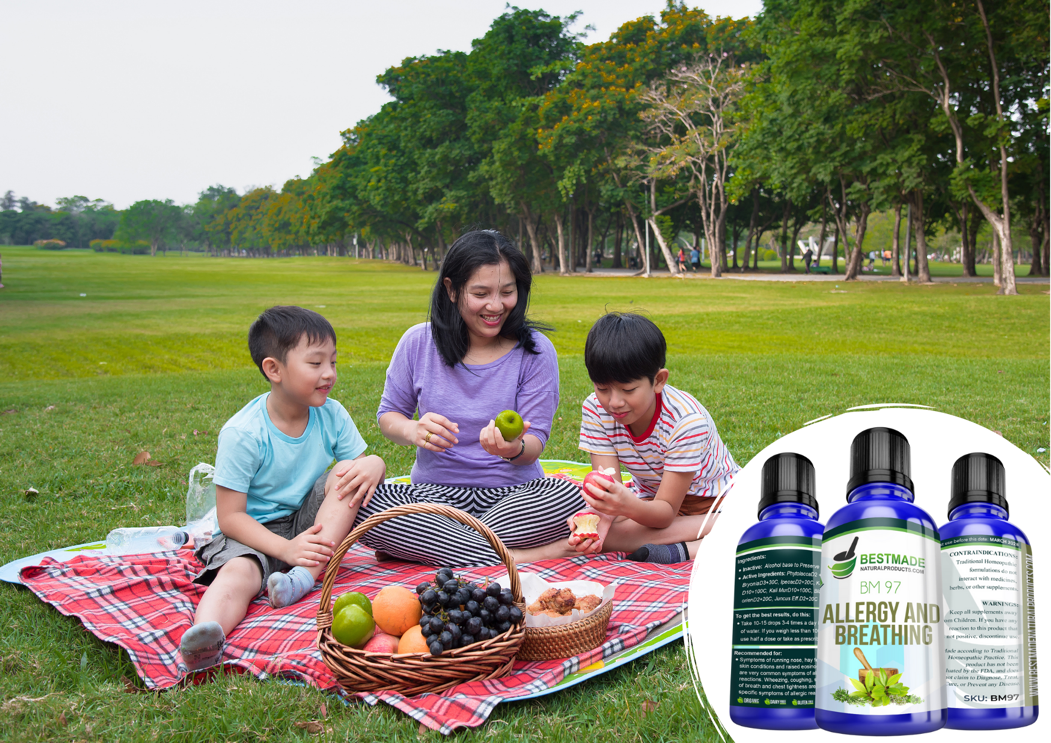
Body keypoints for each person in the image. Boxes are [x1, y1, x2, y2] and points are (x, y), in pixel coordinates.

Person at [351, 229, 582, 567]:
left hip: (515, 499)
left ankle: (436, 545)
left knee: (569, 495)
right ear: (451, 289)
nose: (496, 306)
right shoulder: (418, 343)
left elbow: (536, 442)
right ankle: (517, 557)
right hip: (434, 496)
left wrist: (512, 449)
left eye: (507, 292)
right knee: (362, 503)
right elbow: (389, 417)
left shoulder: (535, 352)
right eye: (481, 293)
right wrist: (412, 430)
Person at [178, 306, 386, 671]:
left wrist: (376, 464)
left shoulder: (332, 414)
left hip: (307, 524)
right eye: (316, 363)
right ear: (273, 369)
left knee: (349, 470)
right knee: (237, 577)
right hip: (250, 533)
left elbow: (357, 474)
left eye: (333, 362)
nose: (329, 374)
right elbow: (230, 517)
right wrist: (286, 549)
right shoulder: (243, 433)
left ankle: (303, 577)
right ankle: (205, 640)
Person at [569, 313, 739, 563]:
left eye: (628, 390)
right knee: (596, 535)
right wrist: (601, 515)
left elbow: (665, 514)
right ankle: (701, 540)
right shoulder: (595, 409)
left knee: (754, 523)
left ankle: (692, 546)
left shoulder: (686, 421)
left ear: (658, 380)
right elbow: (609, 485)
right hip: (652, 501)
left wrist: (624, 507)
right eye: (602, 388)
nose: (614, 402)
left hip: (714, 502)